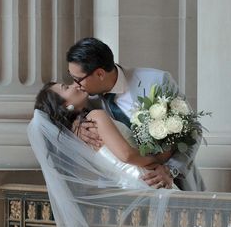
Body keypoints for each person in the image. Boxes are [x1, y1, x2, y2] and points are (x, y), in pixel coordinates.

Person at [65, 37, 205, 191]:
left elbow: (194, 130)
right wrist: (76, 125)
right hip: (120, 188)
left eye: (78, 79)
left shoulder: (156, 81)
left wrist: (171, 169)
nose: (75, 85)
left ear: (99, 74)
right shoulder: (87, 100)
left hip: (173, 183)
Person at [34, 81, 174, 188]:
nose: (75, 85)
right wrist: (160, 161)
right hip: (147, 179)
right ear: (64, 106)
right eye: (66, 87)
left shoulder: (76, 136)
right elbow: (127, 155)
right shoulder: (95, 117)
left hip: (129, 187)